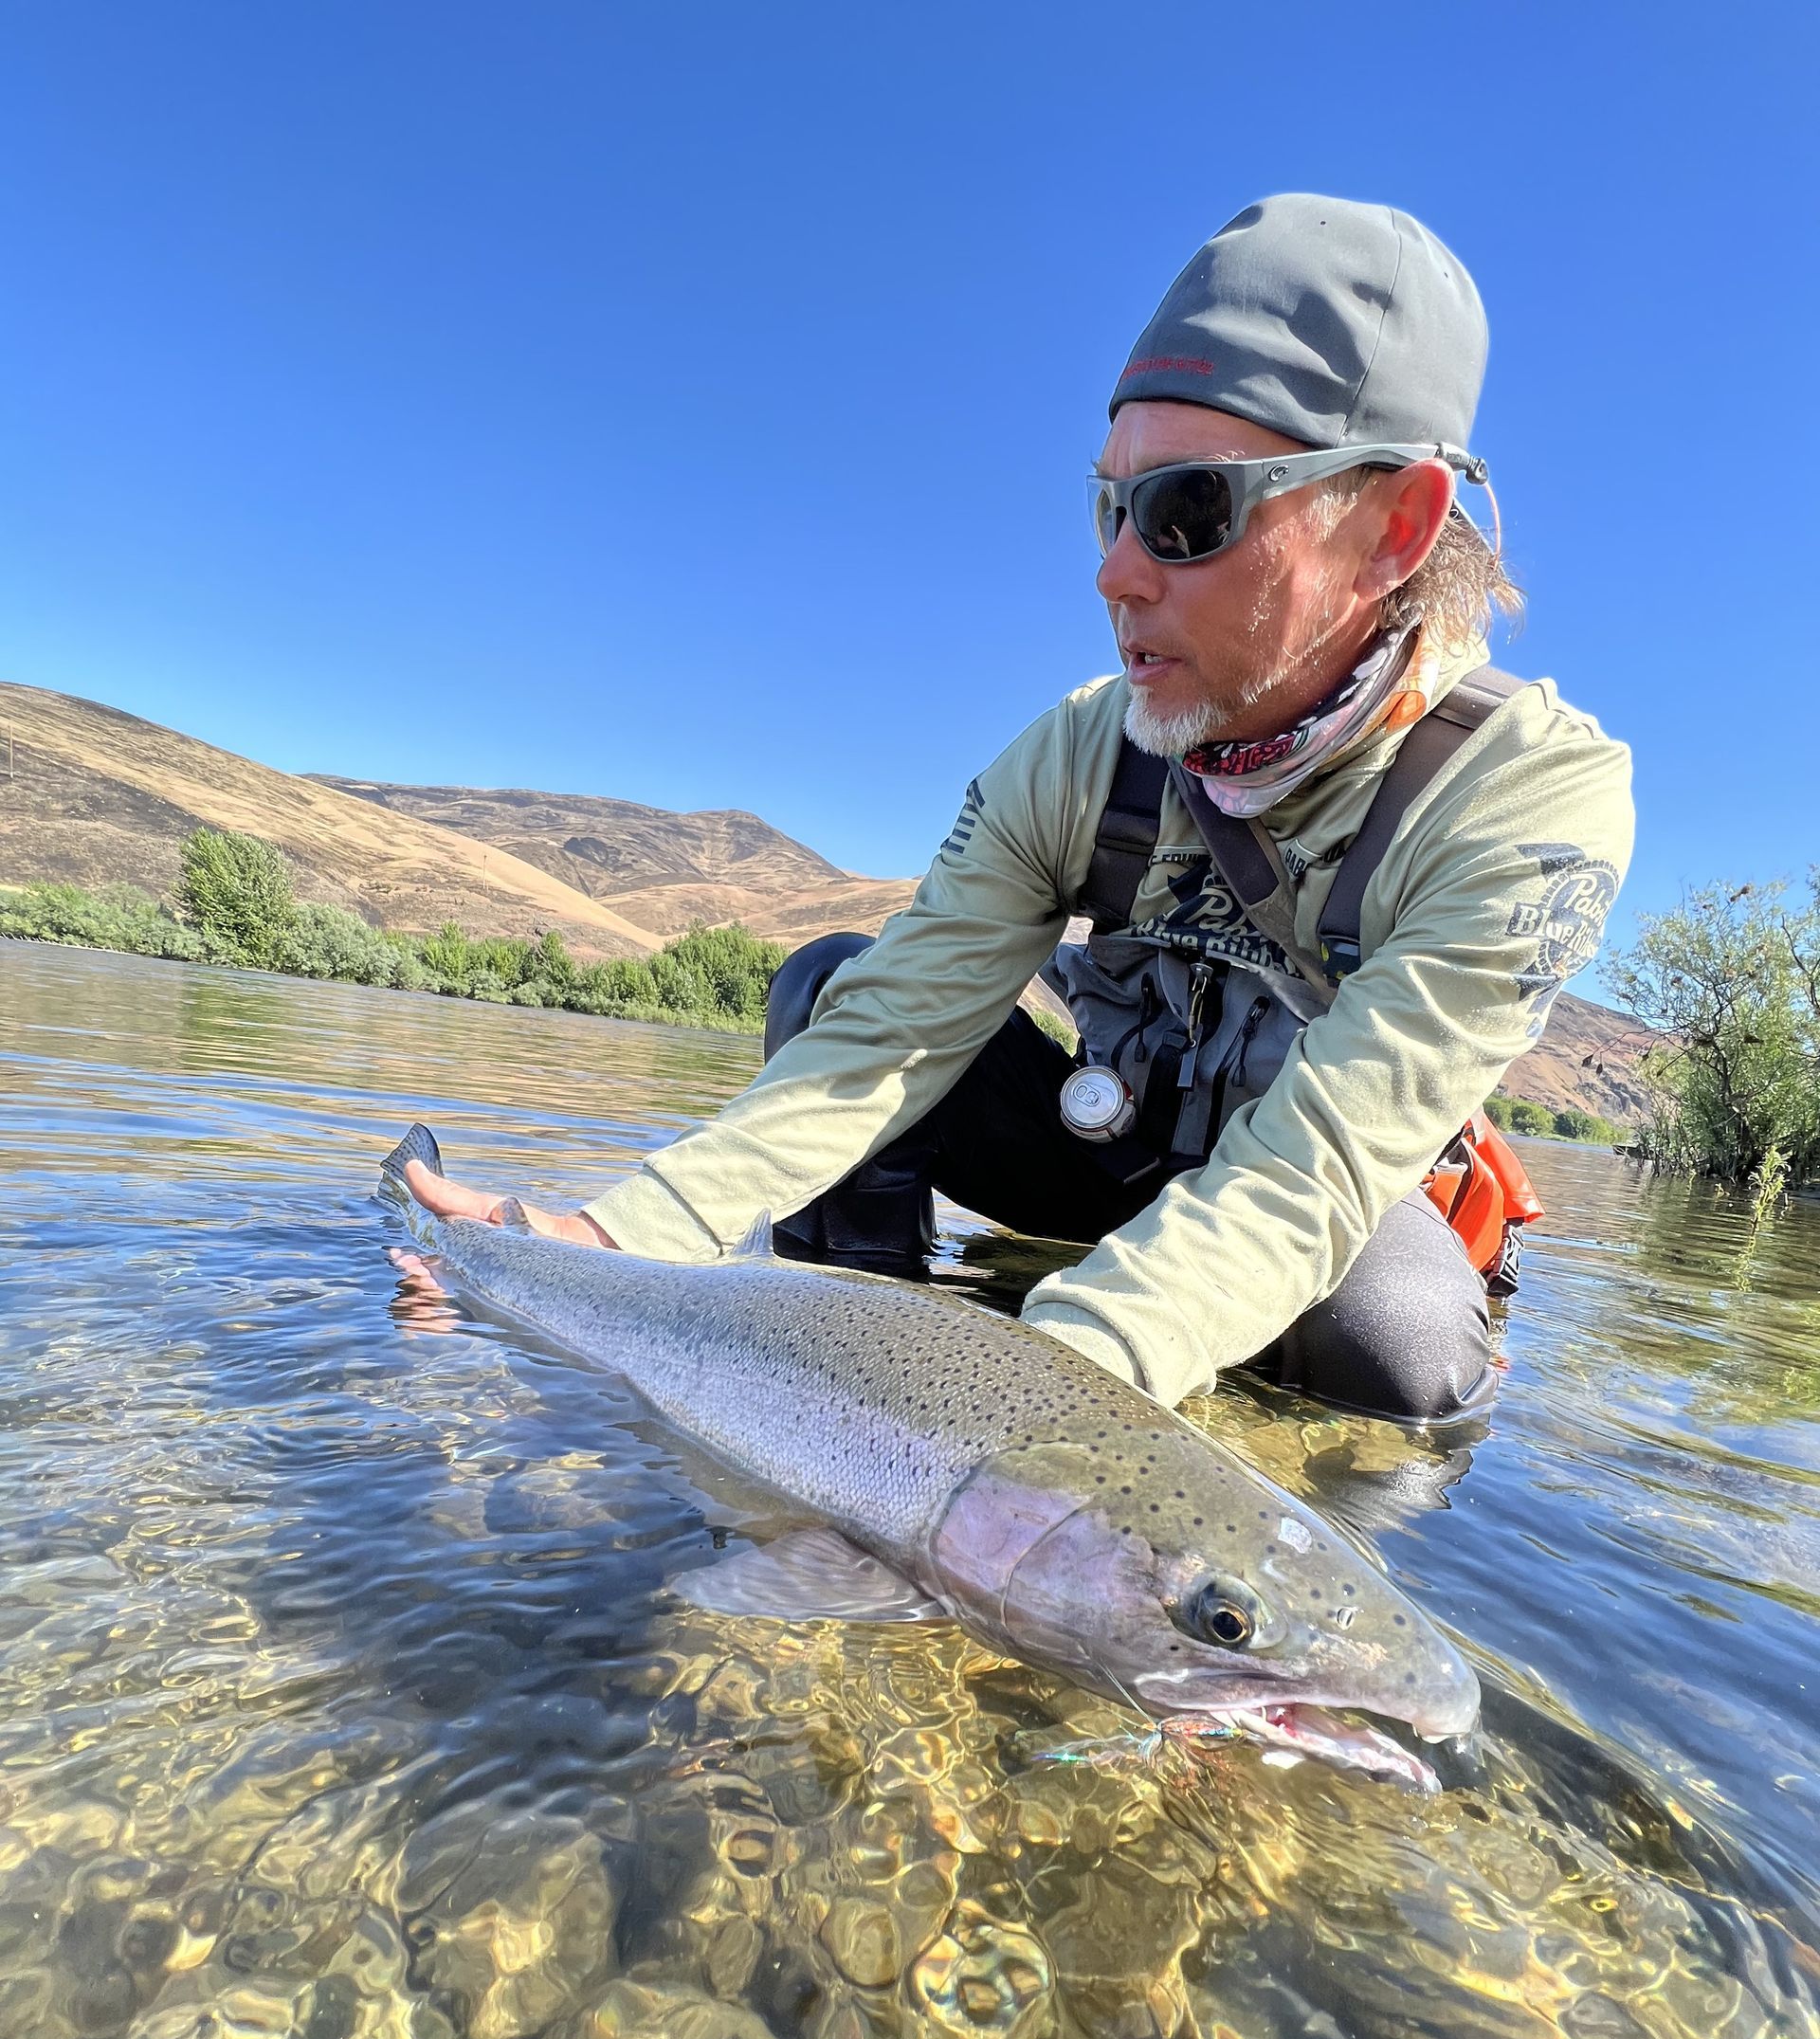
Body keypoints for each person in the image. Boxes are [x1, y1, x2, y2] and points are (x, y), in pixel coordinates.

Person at [408, 193, 1633, 1423]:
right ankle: (835, 1404)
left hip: (1325, 1210)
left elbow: (1316, 1173)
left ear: (1392, 527)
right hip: (1110, 1160)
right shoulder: (1082, 752)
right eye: (1110, 504)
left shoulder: (1530, 799)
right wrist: (613, 1239)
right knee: (831, 983)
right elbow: (893, 1030)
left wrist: (1023, 1424)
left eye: (1187, 511)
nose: (1113, 572)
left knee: (1404, 1346)